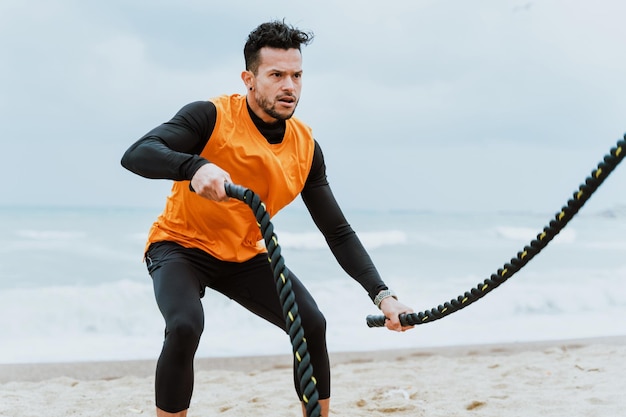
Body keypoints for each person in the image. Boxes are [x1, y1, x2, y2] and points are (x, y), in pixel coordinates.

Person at [121, 20, 415, 417]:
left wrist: (383, 296)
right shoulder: (210, 117)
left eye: (296, 75)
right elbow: (138, 153)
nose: (289, 86)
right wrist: (194, 167)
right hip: (181, 246)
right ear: (249, 78)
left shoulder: (305, 147)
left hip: (244, 255)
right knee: (186, 325)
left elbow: (337, 231)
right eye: (276, 75)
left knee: (311, 325)